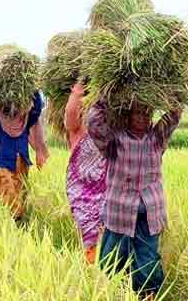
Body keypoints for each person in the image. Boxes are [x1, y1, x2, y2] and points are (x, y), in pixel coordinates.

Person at [88, 98, 181, 299]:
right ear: (128, 115)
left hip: (149, 214)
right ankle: (112, 296)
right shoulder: (114, 140)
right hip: (119, 213)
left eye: (147, 113)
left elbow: (175, 114)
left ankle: (146, 297)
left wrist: (175, 95)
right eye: (138, 113)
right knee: (112, 264)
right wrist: (106, 97)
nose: (143, 117)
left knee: (147, 264)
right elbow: (94, 125)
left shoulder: (157, 137)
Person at [0, 90, 49, 224]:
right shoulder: (2, 120)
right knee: (8, 193)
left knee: (21, 192)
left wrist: (34, 92)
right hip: (7, 164)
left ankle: (20, 222)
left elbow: (36, 110)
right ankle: (14, 222)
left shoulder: (23, 120)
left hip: (19, 162)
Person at [64, 82, 108, 264]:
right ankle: (90, 273)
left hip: (106, 194)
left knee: (105, 236)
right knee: (88, 234)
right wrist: (77, 92)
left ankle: (105, 272)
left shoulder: (108, 132)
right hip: (82, 194)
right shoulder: (77, 128)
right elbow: (71, 115)